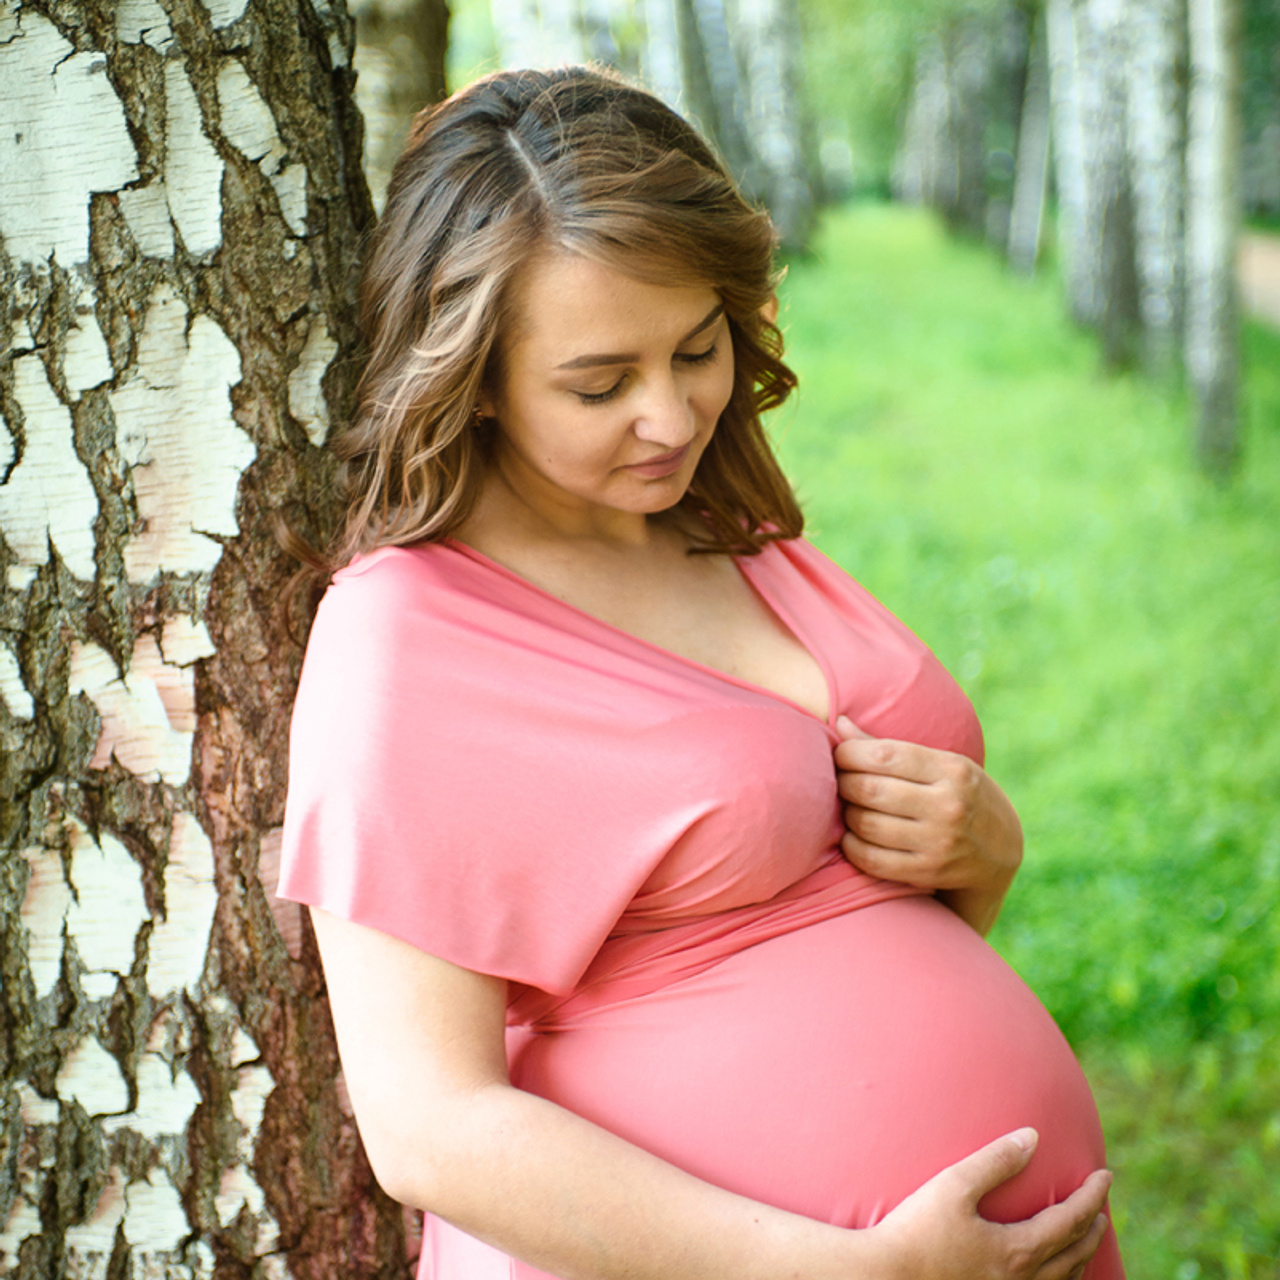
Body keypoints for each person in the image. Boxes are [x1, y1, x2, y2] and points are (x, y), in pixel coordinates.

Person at [278, 65, 1124, 1280]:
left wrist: (985, 855)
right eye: (599, 383)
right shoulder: (408, 634)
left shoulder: (734, 534)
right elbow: (428, 1125)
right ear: (474, 379)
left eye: (695, 348)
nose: (672, 417)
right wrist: (848, 1270)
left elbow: (831, 927)